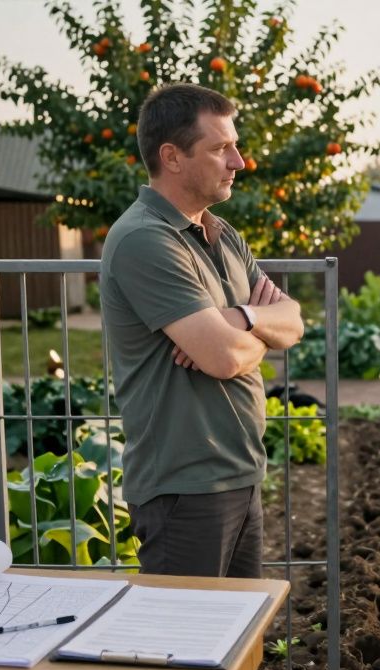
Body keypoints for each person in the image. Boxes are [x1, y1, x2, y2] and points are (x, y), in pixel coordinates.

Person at [100, 82, 304, 579]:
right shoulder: (145, 239)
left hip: (239, 474)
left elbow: (293, 320)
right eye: (220, 149)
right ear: (172, 157)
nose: (238, 161)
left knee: (239, 648)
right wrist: (247, 335)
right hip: (183, 489)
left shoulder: (221, 232)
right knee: (186, 648)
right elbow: (223, 359)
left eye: (234, 146)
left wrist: (240, 321)